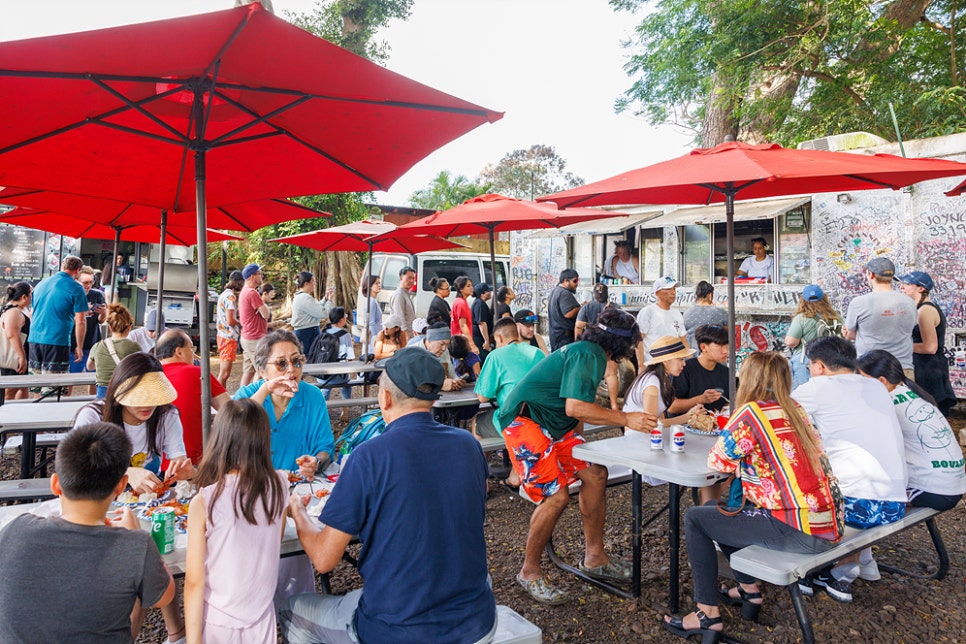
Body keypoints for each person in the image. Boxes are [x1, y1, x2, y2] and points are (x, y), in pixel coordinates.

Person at [282, 347, 497, 643]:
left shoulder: (368, 457)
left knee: (290, 608)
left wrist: (298, 510)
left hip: (397, 630)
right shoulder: (468, 445)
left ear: (384, 398)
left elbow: (322, 560)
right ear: (434, 397)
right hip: (478, 622)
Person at [663, 352, 842, 643]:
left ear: (748, 379)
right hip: (827, 522)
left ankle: (707, 613)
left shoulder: (750, 414)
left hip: (798, 529)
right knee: (717, 510)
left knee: (696, 518)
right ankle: (748, 589)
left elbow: (718, 462)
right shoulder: (796, 408)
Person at [498, 308, 655, 604]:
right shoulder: (589, 354)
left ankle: (595, 558)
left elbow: (575, 410)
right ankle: (529, 571)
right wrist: (625, 419)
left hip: (552, 425)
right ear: (621, 345)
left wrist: (580, 442)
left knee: (595, 474)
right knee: (555, 496)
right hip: (525, 422)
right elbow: (575, 408)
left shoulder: (588, 352)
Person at [0, 422, 175, 643]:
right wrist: (136, 536)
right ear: (121, 486)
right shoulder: (134, 546)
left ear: (55, 485)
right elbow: (164, 596)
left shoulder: (16, 529)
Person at [792, 336, 907, 601]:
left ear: (819, 366)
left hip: (855, 506)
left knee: (788, 485)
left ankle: (811, 568)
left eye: (810, 366)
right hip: (894, 505)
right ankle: (841, 569)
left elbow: (773, 417)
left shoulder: (817, 388)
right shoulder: (875, 387)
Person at [184, 399, 289, 643]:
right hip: (262, 617)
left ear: (220, 439)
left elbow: (193, 581)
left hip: (218, 623)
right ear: (264, 440)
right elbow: (276, 540)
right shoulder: (281, 485)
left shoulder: (205, 501)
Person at [857, 350, 966, 511]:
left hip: (934, 492)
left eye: (862, 380)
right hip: (953, 484)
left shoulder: (886, 402)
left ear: (881, 381)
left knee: (858, 495)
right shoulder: (914, 393)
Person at [74, 352, 195, 495]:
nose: (147, 405)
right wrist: (127, 473)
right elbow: (77, 469)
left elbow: (179, 461)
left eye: (153, 397)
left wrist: (189, 474)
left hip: (148, 499)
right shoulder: (93, 416)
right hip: (100, 497)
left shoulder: (167, 415)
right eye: (139, 398)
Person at [232, 329, 335, 474]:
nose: (291, 369)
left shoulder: (313, 397)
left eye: (296, 361)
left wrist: (315, 462)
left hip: (297, 486)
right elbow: (229, 431)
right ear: (262, 371)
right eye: (282, 363)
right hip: (252, 485)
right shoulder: (248, 395)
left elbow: (325, 448)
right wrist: (266, 390)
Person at [475, 318, 546, 484]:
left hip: (517, 420)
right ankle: (515, 476)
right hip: (541, 416)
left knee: (477, 424)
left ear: (499, 338)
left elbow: (483, 397)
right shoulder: (537, 352)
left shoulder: (496, 356)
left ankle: (481, 482)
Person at [157, 329, 230, 465]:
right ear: (179, 352)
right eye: (191, 349)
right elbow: (229, 409)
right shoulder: (199, 374)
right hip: (190, 463)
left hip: (151, 464)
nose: (194, 355)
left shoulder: (149, 377)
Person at [843, 257, 916, 379]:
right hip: (902, 368)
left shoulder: (859, 303)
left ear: (870, 274)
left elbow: (850, 335)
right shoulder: (909, 302)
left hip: (869, 370)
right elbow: (909, 328)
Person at [896, 271, 957, 416]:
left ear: (921, 288)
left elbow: (930, 347)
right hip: (924, 367)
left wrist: (901, 346)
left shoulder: (926, 310)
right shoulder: (919, 308)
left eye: (906, 284)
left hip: (929, 369)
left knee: (931, 414)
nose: (901, 287)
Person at [27, 254, 87, 377]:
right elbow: (81, 321)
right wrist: (79, 347)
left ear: (61, 267)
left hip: (34, 339)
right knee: (53, 386)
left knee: (36, 383)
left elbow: (32, 313)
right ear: (78, 270)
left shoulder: (41, 284)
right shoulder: (76, 288)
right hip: (57, 340)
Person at [624, 336, 702, 427]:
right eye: (680, 359)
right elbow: (651, 423)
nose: (684, 363)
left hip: (651, 435)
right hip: (638, 437)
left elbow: (660, 419)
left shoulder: (660, 379)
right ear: (665, 361)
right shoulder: (652, 382)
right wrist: (687, 417)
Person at [784, 284, 843, 389]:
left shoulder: (801, 318)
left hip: (805, 362)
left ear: (803, 300)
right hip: (830, 360)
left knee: (802, 397)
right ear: (824, 298)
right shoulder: (835, 317)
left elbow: (790, 342)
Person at [669, 324, 730, 414]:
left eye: (727, 345)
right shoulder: (684, 369)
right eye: (720, 346)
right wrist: (701, 399)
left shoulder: (726, 372)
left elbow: (728, 403)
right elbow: (672, 407)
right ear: (703, 347)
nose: (726, 351)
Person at [86, 303, 142, 399]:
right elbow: (141, 368)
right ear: (129, 327)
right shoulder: (134, 347)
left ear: (110, 327)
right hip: (124, 390)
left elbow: (90, 367)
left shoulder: (98, 346)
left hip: (102, 392)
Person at [69, 265, 107, 381]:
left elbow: (101, 321)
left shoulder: (97, 295)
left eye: (91, 282)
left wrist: (103, 313)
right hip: (73, 342)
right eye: (85, 282)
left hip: (93, 341)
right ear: (76, 281)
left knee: (94, 378)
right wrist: (80, 315)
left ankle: (93, 399)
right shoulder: (70, 295)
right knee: (71, 378)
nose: (88, 286)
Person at [636, 275, 685, 364]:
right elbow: (639, 340)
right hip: (653, 364)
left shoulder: (677, 313)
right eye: (669, 289)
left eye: (674, 289)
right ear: (658, 293)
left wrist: (688, 360)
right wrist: (641, 365)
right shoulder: (648, 312)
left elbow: (683, 339)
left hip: (674, 365)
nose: (673, 292)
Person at [406, 322, 467, 392]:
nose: (444, 348)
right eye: (441, 344)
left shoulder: (444, 351)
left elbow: (452, 374)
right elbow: (410, 384)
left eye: (447, 345)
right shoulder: (411, 353)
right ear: (429, 341)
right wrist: (440, 386)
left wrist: (456, 381)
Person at [239, 263, 271, 387]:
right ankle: (257, 399)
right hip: (255, 338)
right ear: (252, 277)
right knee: (262, 370)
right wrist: (265, 306)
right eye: (259, 273)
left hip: (247, 336)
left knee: (248, 372)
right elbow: (266, 314)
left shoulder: (244, 292)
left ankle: (242, 398)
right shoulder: (252, 293)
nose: (261, 276)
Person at [317, 307, 354, 407]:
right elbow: (350, 357)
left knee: (324, 389)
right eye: (345, 316)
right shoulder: (345, 335)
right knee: (347, 386)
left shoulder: (323, 331)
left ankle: (322, 407)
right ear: (341, 320)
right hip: (340, 375)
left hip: (324, 374)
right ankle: (345, 407)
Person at [0, 281, 31, 400]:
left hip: (16, 355)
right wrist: (21, 357)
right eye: (30, 295)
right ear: (24, 297)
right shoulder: (13, 311)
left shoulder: (16, 309)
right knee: (11, 389)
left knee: (22, 386)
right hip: (14, 357)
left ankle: (19, 413)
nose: (31, 298)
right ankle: (6, 415)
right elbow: (12, 334)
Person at [216, 270, 244, 388]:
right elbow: (230, 320)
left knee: (224, 373)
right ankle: (217, 396)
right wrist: (242, 323)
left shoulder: (224, 294)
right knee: (225, 373)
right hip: (228, 337)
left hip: (222, 335)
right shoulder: (231, 297)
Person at [291, 271, 330, 355]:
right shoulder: (304, 298)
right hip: (307, 333)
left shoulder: (302, 297)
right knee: (310, 358)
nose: (315, 284)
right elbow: (323, 313)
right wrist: (330, 301)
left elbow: (315, 308)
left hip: (306, 331)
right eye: (313, 282)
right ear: (306, 283)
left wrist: (325, 299)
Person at [682, 280, 726, 352]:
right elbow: (729, 332)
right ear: (710, 295)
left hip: (692, 355)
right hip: (713, 355)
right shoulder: (720, 312)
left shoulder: (687, 313)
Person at [547, 268, 581, 351]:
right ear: (566, 281)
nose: (577, 284)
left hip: (557, 336)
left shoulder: (555, 291)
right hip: (564, 338)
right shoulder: (564, 293)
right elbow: (568, 313)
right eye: (575, 281)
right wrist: (581, 308)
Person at [450, 275, 479, 352]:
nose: (471, 288)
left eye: (471, 285)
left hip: (459, 341)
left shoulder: (459, 301)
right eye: (468, 286)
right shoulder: (461, 303)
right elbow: (463, 325)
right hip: (462, 342)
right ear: (461, 289)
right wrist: (472, 345)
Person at [389, 265, 417, 341]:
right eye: (409, 278)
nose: (411, 281)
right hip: (403, 336)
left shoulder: (406, 294)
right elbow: (400, 318)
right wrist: (406, 336)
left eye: (413, 278)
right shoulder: (399, 295)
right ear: (401, 278)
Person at [357, 275, 382, 356]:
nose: (379, 285)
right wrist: (376, 338)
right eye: (376, 283)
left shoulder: (373, 301)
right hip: (372, 338)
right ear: (370, 286)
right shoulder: (371, 302)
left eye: (379, 283)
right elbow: (371, 322)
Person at [471, 281, 493, 356]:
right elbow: (481, 323)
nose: (490, 293)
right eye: (488, 291)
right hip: (479, 340)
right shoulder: (479, 304)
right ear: (482, 294)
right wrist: (486, 340)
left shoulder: (480, 303)